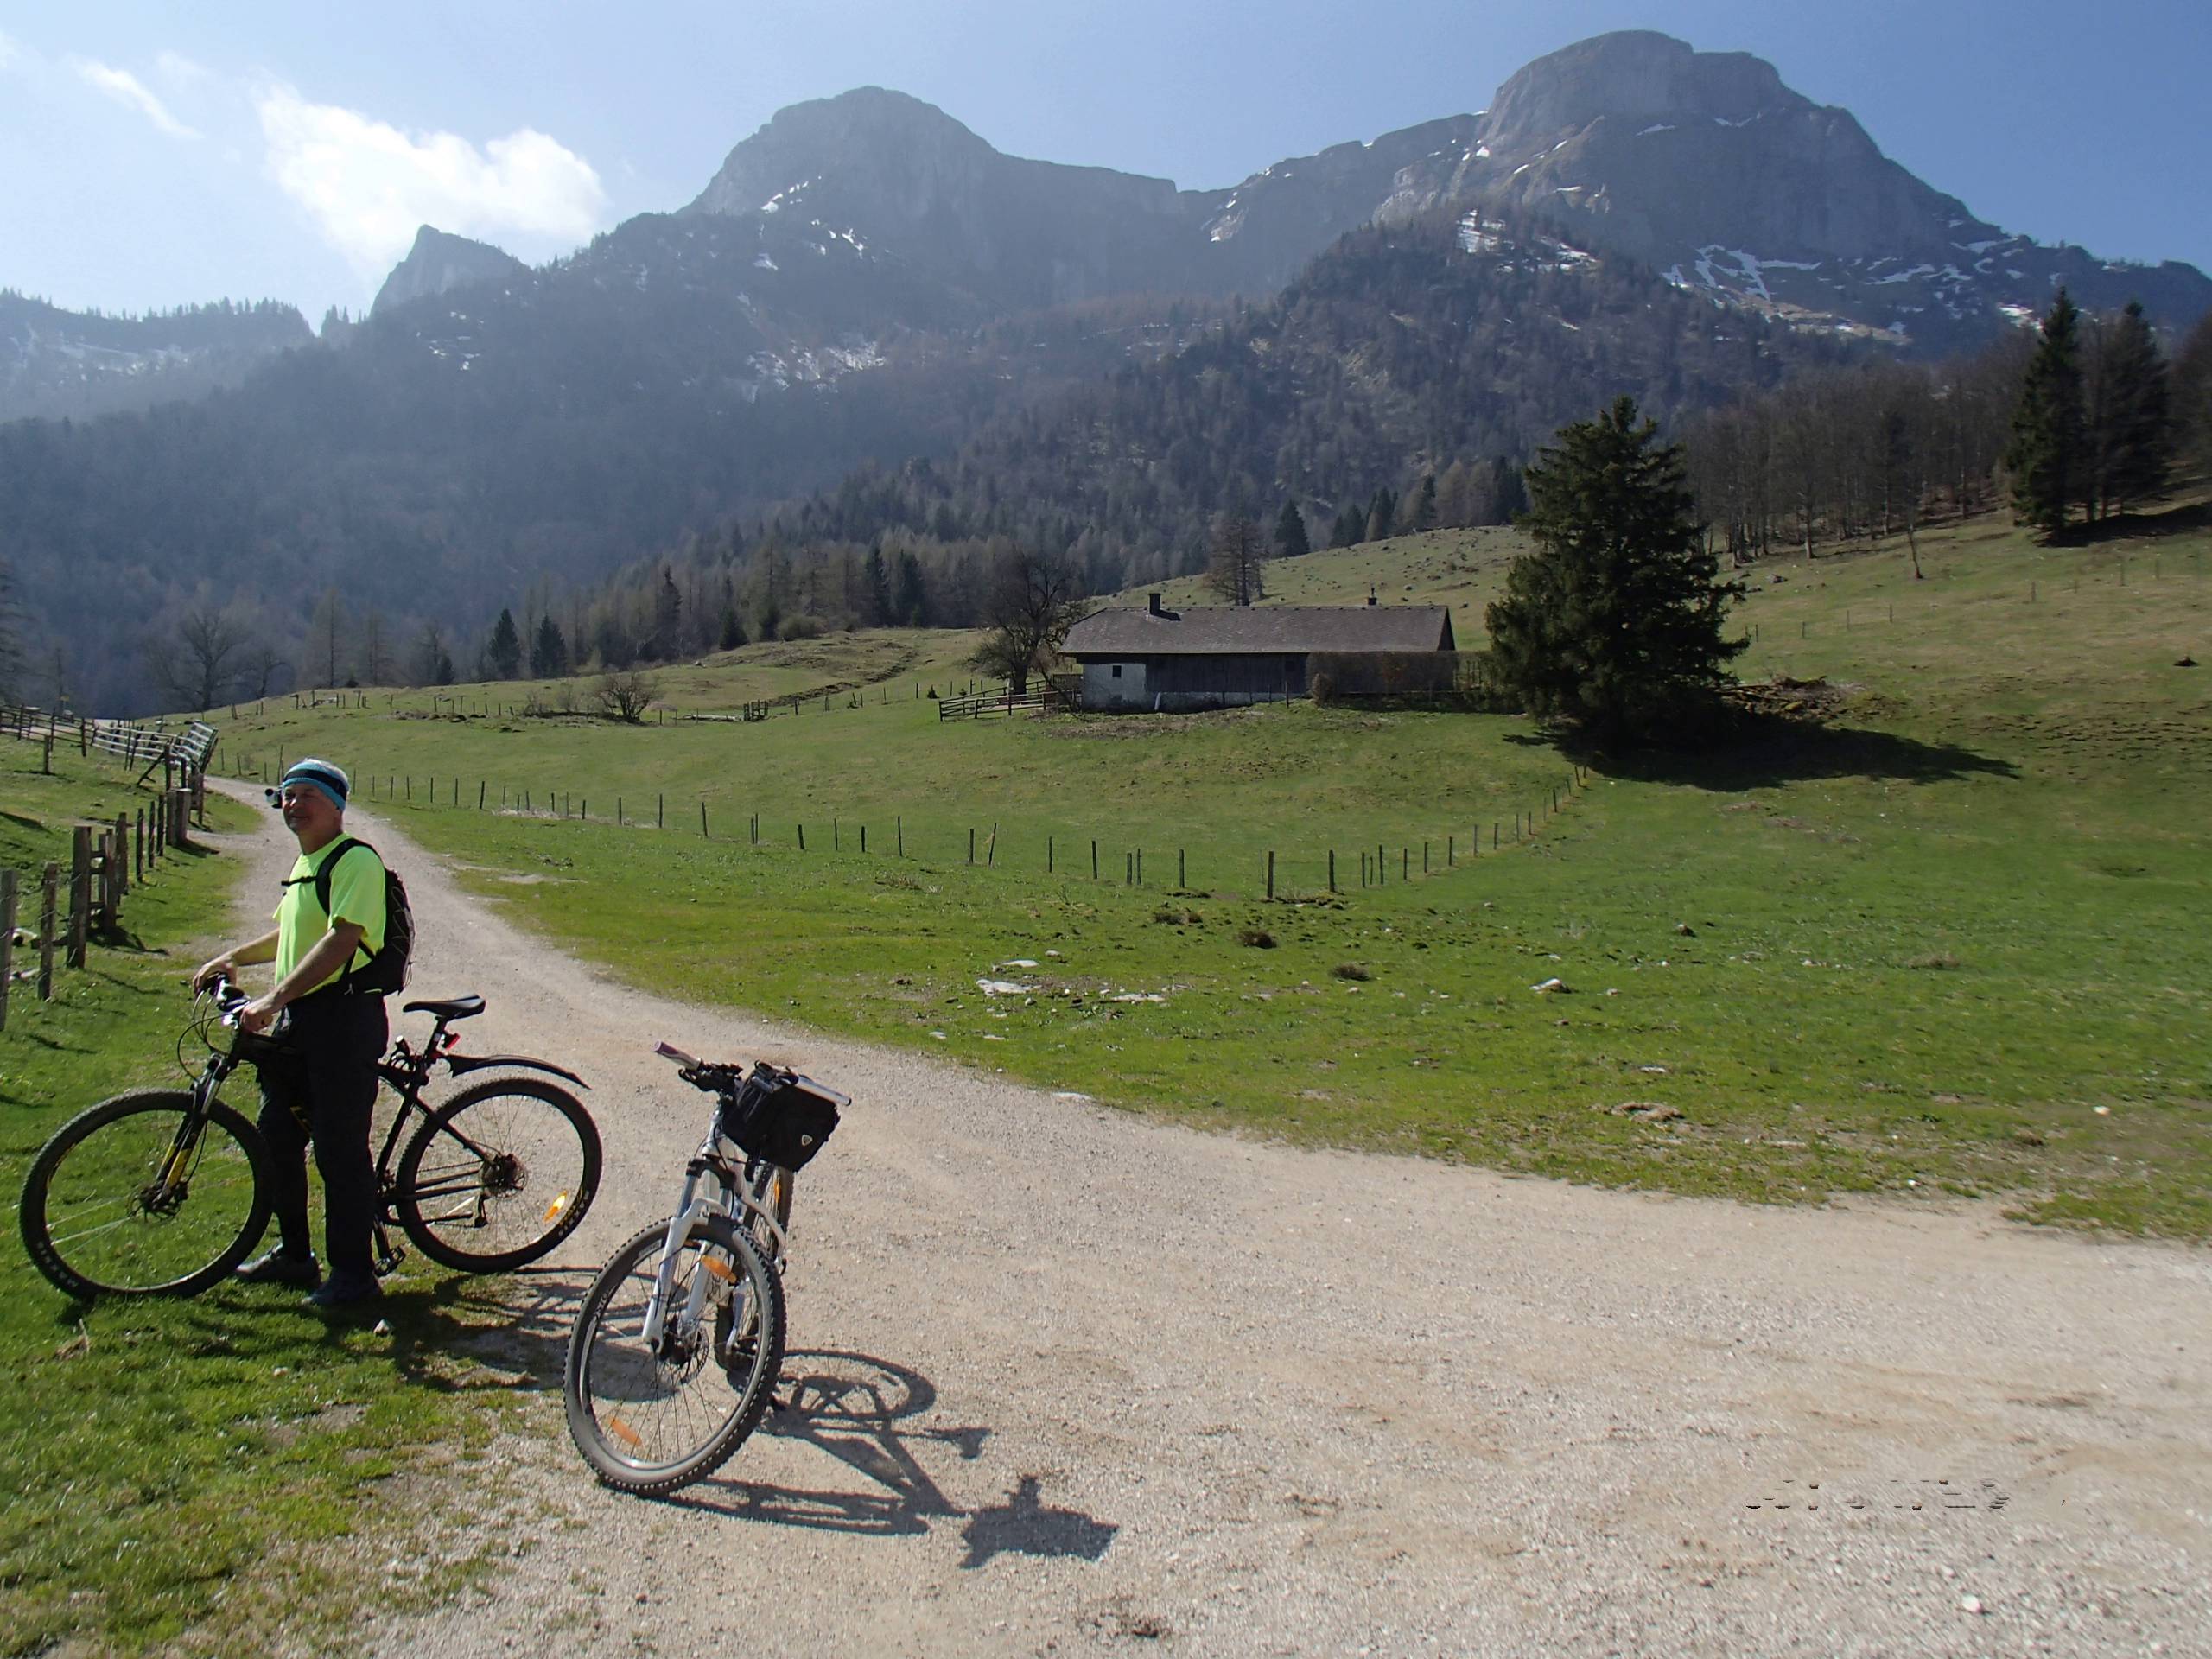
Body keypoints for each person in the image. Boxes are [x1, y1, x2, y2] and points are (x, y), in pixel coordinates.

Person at [193, 758, 389, 1307]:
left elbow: (341, 940)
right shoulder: (308, 866)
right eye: (285, 796)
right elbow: (285, 935)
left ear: (336, 804)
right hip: (301, 1020)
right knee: (275, 1133)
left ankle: (354, 1278)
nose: (293, 805)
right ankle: (295, 1257)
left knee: (339, 1149)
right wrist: (231, 957)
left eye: (306, 795)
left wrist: (274, 997)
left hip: (343, 1021)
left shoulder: (355, 861)